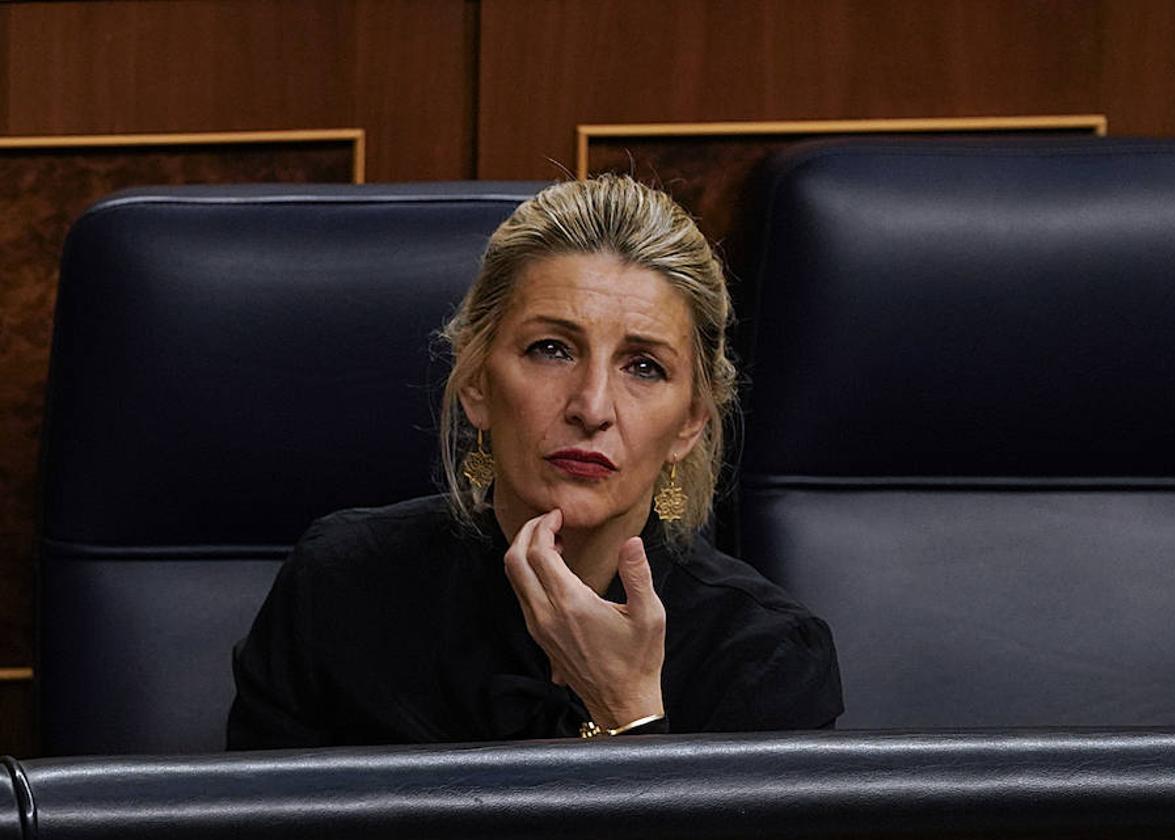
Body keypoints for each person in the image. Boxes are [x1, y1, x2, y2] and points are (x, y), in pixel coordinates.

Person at [227, 175, 842, 748]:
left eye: (644, 366)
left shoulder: (767, 656)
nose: (592, 407)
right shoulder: (339, 589)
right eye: (551, 349)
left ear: (689, 423)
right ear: (476, 384)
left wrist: (626, 710)